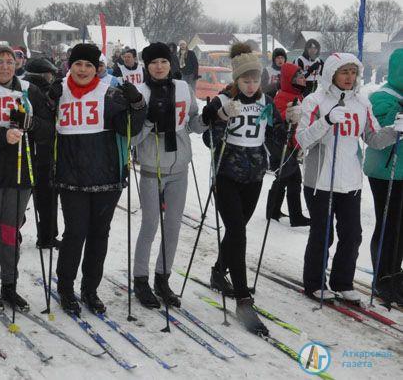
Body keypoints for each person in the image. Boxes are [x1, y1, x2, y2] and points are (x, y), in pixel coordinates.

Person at [50, 43, 145, 314]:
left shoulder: (109, 93)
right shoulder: (60, 91)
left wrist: (137, 104)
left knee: (98, 235)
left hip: (105, 177)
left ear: (97, 69)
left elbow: (129, 128)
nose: (83, 70)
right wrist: (48, 100)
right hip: (71, 178)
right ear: (71, 66)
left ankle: (90, 289)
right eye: (78, 64)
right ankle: (66, 288)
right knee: (74, 233)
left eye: (89, 65)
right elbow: (43, 125)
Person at [298, 52, 400, 302]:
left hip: (351, 181)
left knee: (352, 235)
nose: (349, 77)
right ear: (332, 73)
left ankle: (343, 282)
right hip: (320, 180)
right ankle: (314, 282)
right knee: (323, 234)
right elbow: (302, 139)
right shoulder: (316, 100)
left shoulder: (362, 103)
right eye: (344, 72)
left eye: (353, 72)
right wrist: (327, 120)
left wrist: (395, 130)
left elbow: (373, 139)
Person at [201, 42, 285, 336]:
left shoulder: (267, 102)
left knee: (236, 231)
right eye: (245, 80)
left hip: (254, 176)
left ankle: (217, 271)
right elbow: (207, 135)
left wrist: (289, 126)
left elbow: (276, 131)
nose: (251, 85)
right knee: (238, 232)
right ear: (236, 80)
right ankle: (242, 299)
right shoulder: (223, 98)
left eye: (255, 79)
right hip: (227, 175)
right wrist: (222, 117)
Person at [0, 45, 53, 311]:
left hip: (21, 172)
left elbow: (49, 129)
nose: (5, 66)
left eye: (9, 61)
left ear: (17, 64)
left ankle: (9, 286)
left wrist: (31, 124)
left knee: (11, 233)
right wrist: (1, 136)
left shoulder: (29, 91)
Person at [131, 43, 208, 308]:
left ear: (171, 63)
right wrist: (149, 120)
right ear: (147, 66)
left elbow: (194, 124)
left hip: (180, 167)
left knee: (173, 226)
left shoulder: (184, 89)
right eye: (153, 62)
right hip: (153, 168)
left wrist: (212, 115)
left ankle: (162, 279)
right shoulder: (141, 92)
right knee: (150, 225)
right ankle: (140, 279)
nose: (159, 66)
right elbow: (131, 139)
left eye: (163, 61)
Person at [363, 48, 403, 304]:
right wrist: (396, 117)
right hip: (385, 171)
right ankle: (382, 277)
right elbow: (376, 134)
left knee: (401, 227)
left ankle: (396, 275)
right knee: (388, 224)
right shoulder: (382, 96)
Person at [23, 56, 61, 248]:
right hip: (43, 151)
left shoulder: (19, 88)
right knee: (46, 197)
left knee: (23, 195)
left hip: (25, 152)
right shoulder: (40, 92)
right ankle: (46, 236)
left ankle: (14, 230)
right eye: (50, 74)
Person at [267, 63, 310, 227]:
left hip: (291, 146)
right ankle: (295, 216)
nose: (303, 78)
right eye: (298, 76)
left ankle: (274, 210)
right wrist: (288, 114)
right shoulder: (282, 96)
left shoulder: (299, 96)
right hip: (281, 146)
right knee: (291, 178)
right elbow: (276, 120)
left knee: (285, 179)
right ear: (289, 79)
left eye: (302, 75)